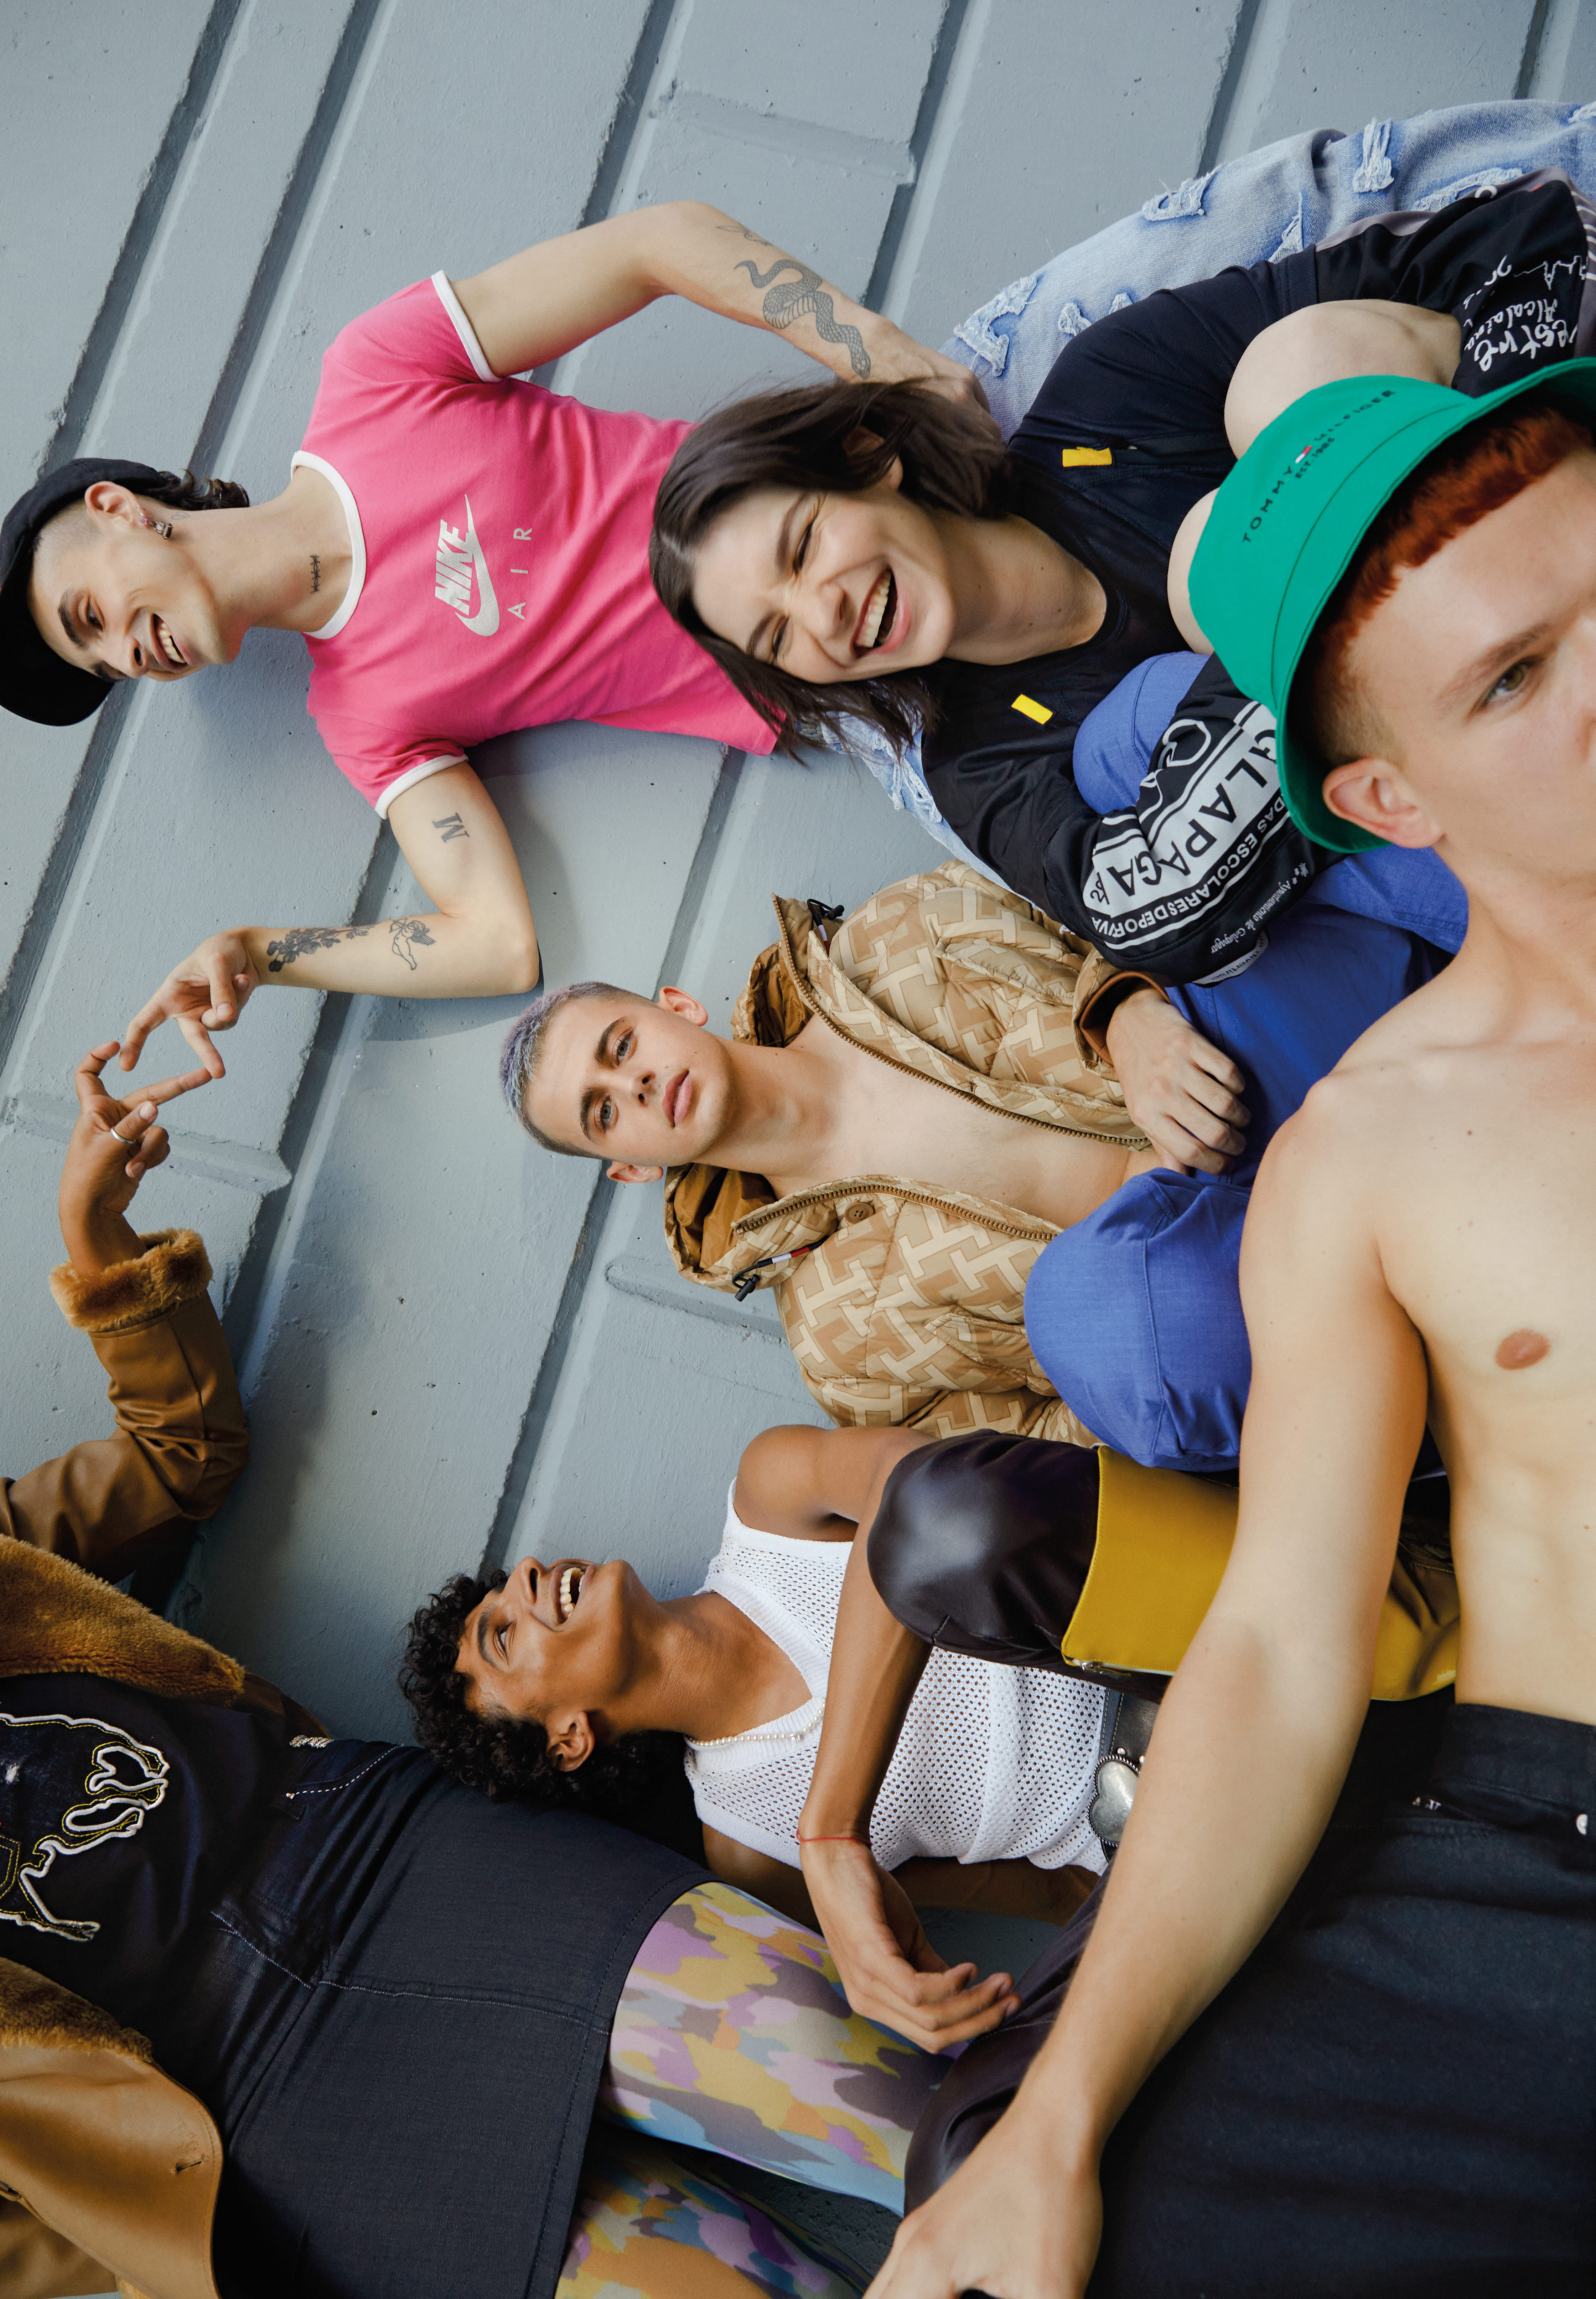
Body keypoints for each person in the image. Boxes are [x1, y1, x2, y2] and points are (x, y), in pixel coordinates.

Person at [810, 369, 1596, 2299]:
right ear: (1393, 797)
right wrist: (1061, 2112)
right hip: (1554, 1881)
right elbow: (1276, 1645)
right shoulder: (1377, 1155)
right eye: (1517, 679)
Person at [0, 1054, 1007, 2299]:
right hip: (271, 2132)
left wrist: (99, 1245)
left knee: (940, 2115)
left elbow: (180, 1456)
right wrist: (133, 2214)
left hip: (389, 1862)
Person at [1, 202, 971, 1078]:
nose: (126, 657)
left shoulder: (373, 379)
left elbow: (654, 244)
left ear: (118, 508)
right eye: (104, 666)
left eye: (91, 617)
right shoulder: (363, 720)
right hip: (882, 692)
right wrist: (262, 954)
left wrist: (884, 357)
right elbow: (496, 944)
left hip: (869, 480)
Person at [653, 171, 1592, 985]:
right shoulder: (975, 761)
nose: (822, 612)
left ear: (868, 457)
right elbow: (1153, 919)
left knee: (1288, 379)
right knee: (1179, 636)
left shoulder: (1113, 388)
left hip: (1543, 555)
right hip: (1485, 801)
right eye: (777, 637)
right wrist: (1289, 624)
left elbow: (1528, 240)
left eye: (802, 548)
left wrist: (1421, 497)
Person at [502, 853, 1460, 1472]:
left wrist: (1124, 1010)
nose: (634, 1086)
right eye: (602, 1113)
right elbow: (1060, 1445)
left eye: (621, 1046)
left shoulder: (899, 932)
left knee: (1226, 907)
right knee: (1095, 1316)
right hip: (1231, 1288)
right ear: (627, 1168)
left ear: (675, 1007)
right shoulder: (842, 1346)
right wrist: (1131, 1266)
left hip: (1242, 1074)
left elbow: (1097, 898)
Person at [400, 1421, 1109, 1939]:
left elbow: (921, 1480)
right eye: (503, 1635)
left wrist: (830, 1826)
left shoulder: (771, 1505)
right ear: (567, 1740)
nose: (527, 1572)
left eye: (502, 1589)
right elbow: (1056, 1894)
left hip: (1141, 1605)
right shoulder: (753, 1851)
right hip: (1131, 1831)